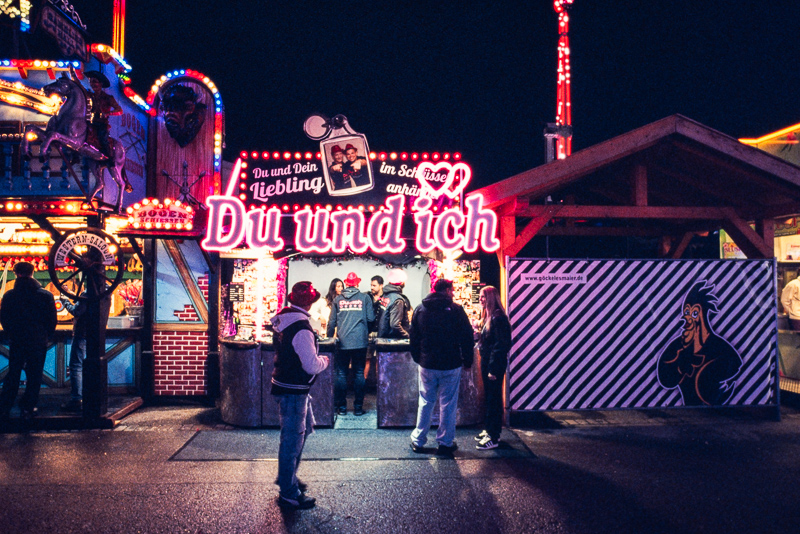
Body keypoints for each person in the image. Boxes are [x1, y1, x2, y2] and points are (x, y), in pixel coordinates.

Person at [270, 281, 330, 510]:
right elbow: (311, 365)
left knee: (302, 431)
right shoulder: (301, 328)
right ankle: (289, 492)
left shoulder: (285, 320)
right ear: (309, 303)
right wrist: (324, 360)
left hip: (287, 386)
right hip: (294, 390)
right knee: (292, 441)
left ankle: (288, 477)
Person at [409, 278, 474, 456]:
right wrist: (467, 360)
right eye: (451, 290)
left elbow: (413, 337)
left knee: (425, 401)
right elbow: (467, 337)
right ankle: (445, 442)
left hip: (427, 365)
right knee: (448, 404)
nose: (453, 293)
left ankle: (418, 440)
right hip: (450, 364)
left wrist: (418, 358)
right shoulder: (456, 310)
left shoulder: (420, 309)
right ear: (446, 290)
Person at [0, 261, 57, 420]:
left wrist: (12, 333)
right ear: (33, 272)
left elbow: (4, 319)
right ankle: (28, 407)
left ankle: (5, 407)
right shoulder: (46, 295)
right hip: (38, 340)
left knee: (13, 373)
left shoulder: (9, 295)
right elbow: (52, 320)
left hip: (17, 339)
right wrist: (45, 335)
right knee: (35, 375)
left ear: (15, 273)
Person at [327, 272, 375, 415]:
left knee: (341, 373)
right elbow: (371, 319)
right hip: (360, 342)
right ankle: (358, 408)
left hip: (342, 342)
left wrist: (329, 339)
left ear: (347, 284)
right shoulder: (365, 298)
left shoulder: (338, 300)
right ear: (357, 284)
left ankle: (342, 408)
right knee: (359, 373)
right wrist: (365, 332)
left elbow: (331, 322)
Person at [59, 291, 112, 412]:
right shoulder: (106, 292)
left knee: (76, 366)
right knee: (93, 366)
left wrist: (65, 300)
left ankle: (77, 399)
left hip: (82, 333)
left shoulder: (88, 293)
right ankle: (94, 396)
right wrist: (75, 296)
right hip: (97, 335)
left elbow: (76, 311)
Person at [474, 286, 511, 450]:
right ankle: (489, 430)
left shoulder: (498, 317)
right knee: (490, 397)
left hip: (493, 365)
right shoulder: (490, 316)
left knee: (494, 399)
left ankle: (493, 437)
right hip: (489, 362)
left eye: (483, 296)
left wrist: (493, 369)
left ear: (490, 298)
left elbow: (502, 345)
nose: (480, 299)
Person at [84, 70, 122, 160]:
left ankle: (109, 158)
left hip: (101, 123)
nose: (92, 84)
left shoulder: (108, 98)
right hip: (90, 122)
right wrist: (72, 75)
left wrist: (108, 113)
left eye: (94, 82)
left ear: (100, 84)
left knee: (102, 138)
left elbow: (119, 110)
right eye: (91, 82)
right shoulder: (89, 95)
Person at [364, 275, 386, 380]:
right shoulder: (367, 297)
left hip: (381, 333)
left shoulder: (386, 298)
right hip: (368, 332)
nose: (372, 287)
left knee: (380, 360)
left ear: (381, 286)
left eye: (374, 285)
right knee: (366, 359)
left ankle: (380, 389)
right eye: (371, 285)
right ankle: (362, 390)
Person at [378, 269, 411, 338]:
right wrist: (407, 335)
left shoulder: (386, 295)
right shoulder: (398, 300)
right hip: (392, 342)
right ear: (401, 282)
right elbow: (395, 325)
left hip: (383, 338)